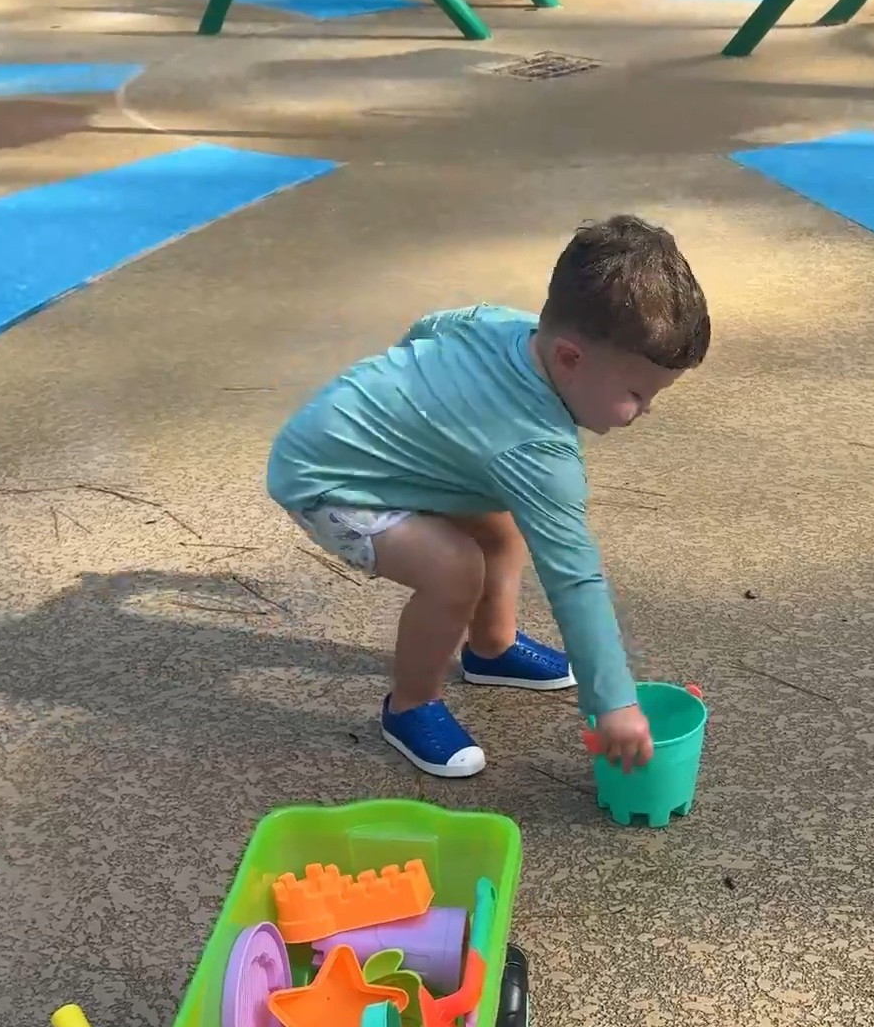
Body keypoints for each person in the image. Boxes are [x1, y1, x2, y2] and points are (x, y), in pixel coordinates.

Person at [267, 214, 711, 779]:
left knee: (499, 521)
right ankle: (410, 705)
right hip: (324, 479)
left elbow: (435, 325)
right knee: (454, 569)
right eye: (636, 393)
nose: (645, 411)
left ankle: (492, 647)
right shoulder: (535, 451)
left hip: (352, 442)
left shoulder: (510, 326)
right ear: (570, 358)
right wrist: (615, 704)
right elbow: (575, 579)